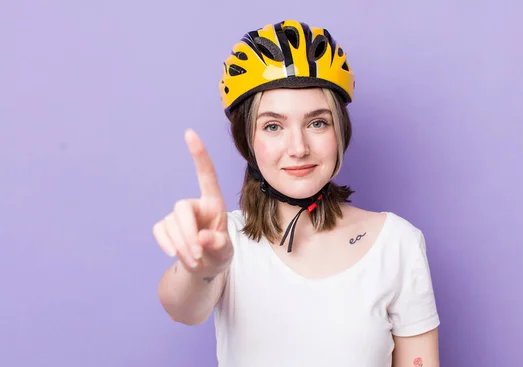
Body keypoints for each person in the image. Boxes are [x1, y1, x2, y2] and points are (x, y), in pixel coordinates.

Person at [153, 20, 441, 367]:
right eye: (273, 126)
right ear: (248, 140)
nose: (298, 148)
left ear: (340, 132)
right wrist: (202, 268)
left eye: (317, 122)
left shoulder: (398, 243)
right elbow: (181, 308)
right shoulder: (226, 242)